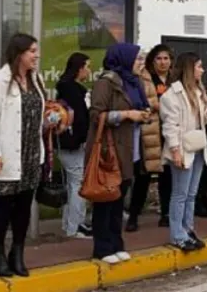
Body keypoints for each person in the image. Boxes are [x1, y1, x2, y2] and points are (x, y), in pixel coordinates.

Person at [0, 33, 47, 277]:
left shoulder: (36, 79)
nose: (37, 55)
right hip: (7, 155)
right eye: (32, 51)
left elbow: (38, 113)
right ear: (19, 53)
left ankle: (17, 252)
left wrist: (51, 121)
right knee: (3, 207)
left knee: (24, 207)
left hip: (32, 154)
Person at [86, 43, 150, 264]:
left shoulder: (134, 82)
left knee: (118, 199)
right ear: (124, 59)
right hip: (110, 151)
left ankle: (116, 243)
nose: (141, 63)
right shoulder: (106, 82)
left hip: (129, 151)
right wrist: (127, 114)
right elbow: (96, 115)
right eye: (137, 59)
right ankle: (102, 248)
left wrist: (143, 114)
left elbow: (140, 108)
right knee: (105, 200)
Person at [159, 52, 207, 252]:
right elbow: (170, 126)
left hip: (198, 147)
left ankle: (188, 229)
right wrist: (175, 151)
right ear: (190, 69)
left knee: (192, 193)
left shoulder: (198, 92)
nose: (202, 70)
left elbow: (202, 119)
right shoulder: (172, 95)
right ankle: (177, 235)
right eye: (199, 66)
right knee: (180, 194)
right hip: (183, 148)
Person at [126, 44, 172, 232]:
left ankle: (166, 213)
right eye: (159, 59)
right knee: (143, 176)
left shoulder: (174, 79)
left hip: (169, 131)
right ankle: (134, 215)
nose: (162, 62)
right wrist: (160, 104)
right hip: (149, 132)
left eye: (166, 58)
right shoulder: (144, 77)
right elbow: (141, 100)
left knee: (167, 176)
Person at [55, 52, 93, 240]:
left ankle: (70, 224)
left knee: (73, 184)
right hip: (73, 144)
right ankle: (74, 227)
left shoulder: (64, 87)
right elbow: (80, 119)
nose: (89, 70)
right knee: (78, 185)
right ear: (79, 68)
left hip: (65, 143)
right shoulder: (74, 90)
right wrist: (84, 138)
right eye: (87, 66)